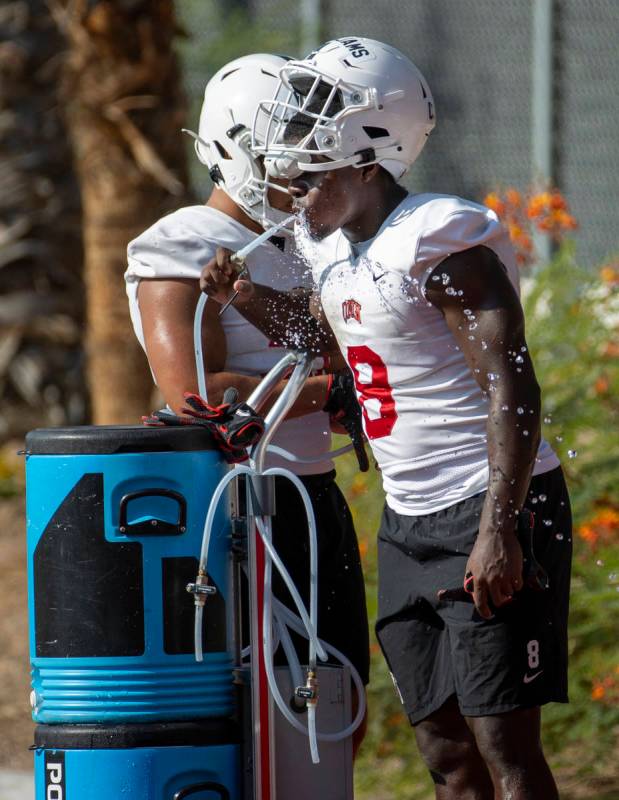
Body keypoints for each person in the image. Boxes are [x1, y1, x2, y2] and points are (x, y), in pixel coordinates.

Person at [200, 38, 572, 800]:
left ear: (368, 159)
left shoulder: (441, 238)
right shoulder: (335, 246)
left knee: (503, 742)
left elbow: (512, 385)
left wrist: (498, 528)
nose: (293, 183)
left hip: (490, 503)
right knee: (443, 748)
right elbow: (331, 330)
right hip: (409, 518)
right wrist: (244, 298)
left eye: (312, 163)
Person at [124, 53, 370, 753]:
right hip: (233, 508)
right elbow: (199, 396)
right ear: (234, 147)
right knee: (260, 718)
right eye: (287, 150)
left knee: (335, 706)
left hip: (311, 493)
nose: (302, 169)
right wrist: (334, 394)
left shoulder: (304, 241)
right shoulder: (184, 241)